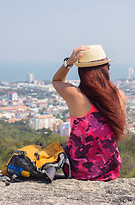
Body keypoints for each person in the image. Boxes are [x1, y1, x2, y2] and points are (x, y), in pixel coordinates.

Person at [52, 45, 126, 181]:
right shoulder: (119, 96)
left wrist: (68, 63)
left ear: (82, 73)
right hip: (110, 171)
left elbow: (56, 81)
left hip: (80, 172)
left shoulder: (76, 96)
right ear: (106, 69)